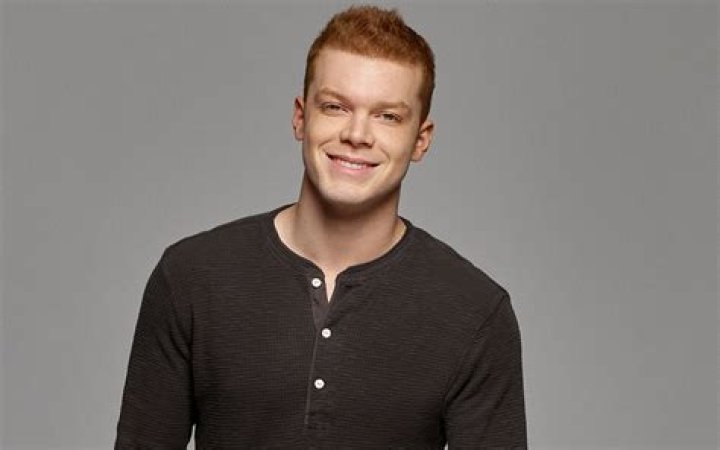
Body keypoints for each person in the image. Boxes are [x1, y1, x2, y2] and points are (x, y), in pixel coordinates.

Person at [115, 5, 526, 448]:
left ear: (420, 140)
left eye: (388, 116)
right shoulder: (192, 278)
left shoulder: (474, 312)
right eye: (335, 106)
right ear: (301, 117)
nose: (357, 134)